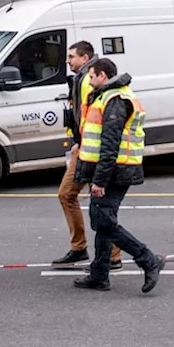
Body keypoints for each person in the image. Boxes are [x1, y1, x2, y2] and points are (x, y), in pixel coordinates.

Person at [71, 58, 166, 294]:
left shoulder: (115, 100)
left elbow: (110, 144)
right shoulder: (110, 96)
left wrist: (100, 181)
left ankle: (147, 259)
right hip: (115, 168)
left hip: (116, 170)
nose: (89, 81)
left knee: (102, 219)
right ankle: (100, 274)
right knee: (102, 220)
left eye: (91, 76)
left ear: (102, 75)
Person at [52, 41, 121, 270]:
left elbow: (90, 116)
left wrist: (81, 143)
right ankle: (83, 249)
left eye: (71, 56)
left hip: (90, 152)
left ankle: (110, 255)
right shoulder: (81, 78)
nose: (67, 60)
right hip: (84, 148)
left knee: (88, 200)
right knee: (70, 196)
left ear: (85, 57)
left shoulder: (87, 80)